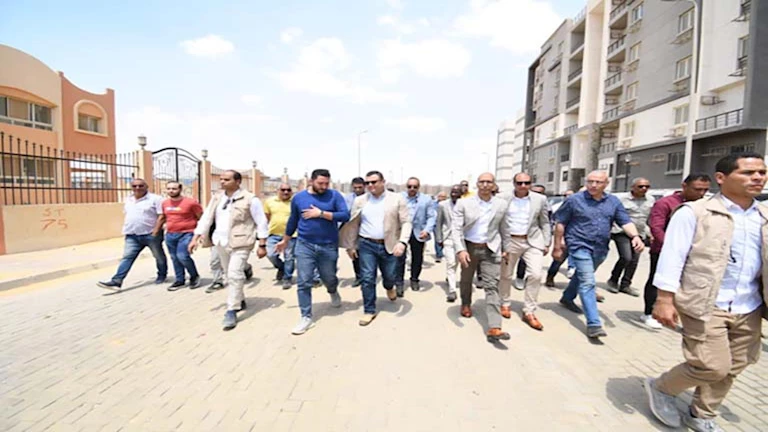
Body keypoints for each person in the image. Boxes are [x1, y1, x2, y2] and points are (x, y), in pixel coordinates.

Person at [644, 153, 768, 432]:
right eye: (748, 173)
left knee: (736, 364)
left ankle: (702, 413)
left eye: (762, 172)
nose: (757, 178)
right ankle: (662, 387)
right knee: (712, 366)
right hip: (706, 303)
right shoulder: (695, 213)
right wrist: (664, 299)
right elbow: (673, 256)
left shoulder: (763, 216)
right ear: (721, 178)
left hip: (749, 305)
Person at [553, 170, 644, 339]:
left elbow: (624, 221)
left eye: (598, 182)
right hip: (579, 244)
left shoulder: (613, 201)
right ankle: (594, 323)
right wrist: (557, 246)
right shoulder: (574, 200)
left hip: (600, 248)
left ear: (606, 184)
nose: (593, 185)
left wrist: (635, 236)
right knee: (588, 282)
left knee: (582, 276)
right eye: (590, 181)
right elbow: (560, 223)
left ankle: (567, 297)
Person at [190, 170, 269, 330]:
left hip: (241, 242)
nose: (222, 182)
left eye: (226, 179)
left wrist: (262, 244)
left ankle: (232, 309)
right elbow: (206, 217)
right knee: (228, 274)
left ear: (238, 181)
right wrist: (195, 237)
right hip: (220, 241)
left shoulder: (250, 199)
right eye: (221, 179)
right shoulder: (217, 197)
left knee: (234, 274)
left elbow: (261, 222)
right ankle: (239, 298)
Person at [276, 169, 350, 335]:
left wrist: (321, 214)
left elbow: (345, 215)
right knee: (304, 281)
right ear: (311, 181)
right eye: (320, 183)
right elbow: (293, 220)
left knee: (329, 277)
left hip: (328, 245)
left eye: (326, 183)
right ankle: (306, 316)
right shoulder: (299, 198)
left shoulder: (334, 196)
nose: (324, 186)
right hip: (305, 245)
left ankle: (332, 290)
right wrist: (285, 240)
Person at [640, 173, 711, 329]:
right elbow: (656, 227)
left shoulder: (705, 206)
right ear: (684, 186)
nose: (701, 193)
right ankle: (648, 313)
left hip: (692, 254)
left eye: (705, 190)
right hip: (663, 251)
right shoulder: (665, 203)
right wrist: (671, 247)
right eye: (697, 189)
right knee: (657, 281)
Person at [339, 171, 410, 326]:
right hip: (366, 244)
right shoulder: (360, 200)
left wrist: (402, 242)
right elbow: (354, 224)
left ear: (383, 182)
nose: (370, 185)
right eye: (368, 183)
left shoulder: (397, 199)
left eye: (374, 182)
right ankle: (369, 310)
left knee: (389, 276)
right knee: (367, 278)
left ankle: (389, 287)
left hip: (390, 244)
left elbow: (406, 222)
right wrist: (350, 246)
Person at [451, 173, 510, 343]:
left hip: (491, 248)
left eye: (488, 182)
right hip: (469, 247)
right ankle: (466, 303)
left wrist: (506, 248)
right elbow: (456, 229)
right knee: (466, 279)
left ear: (493, 185)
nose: (485, 185)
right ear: (477, 184)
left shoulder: (501, 204)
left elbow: (505, 228)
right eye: (482, 182)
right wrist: (460, 250)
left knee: (492, 286)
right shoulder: (464, 203)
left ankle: (495, 327)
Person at [498, 173, 551, 331]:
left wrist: (546, 242)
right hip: (510, 241)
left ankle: (529, 311)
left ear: (531, 183)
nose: (523, 186)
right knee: (506, 275)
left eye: (526, 183)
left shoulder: (540, 199)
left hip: (532, 240)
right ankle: (504, 303)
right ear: (514, 183)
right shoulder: (502, 198)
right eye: (519, 183)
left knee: (536, 274)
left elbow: (545, 222)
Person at [97, 179, 168, 289]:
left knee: (158, 256)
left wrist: (155, 231)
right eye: (134, 186)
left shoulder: (156, 199)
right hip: (132, 235)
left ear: (146, 186)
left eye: (140, 186)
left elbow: (162, 216)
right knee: (127, 257)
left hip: (150, 234)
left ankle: (162, 275)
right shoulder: (128, 199)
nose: (137, 188)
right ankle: (117, 281)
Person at [395, 177, 436, 295]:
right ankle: (399, 283)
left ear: (419, 187)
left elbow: (431, 216)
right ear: (406, 186)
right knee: (399, 258)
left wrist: (427, 230)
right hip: (402, 231)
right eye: (409, 186)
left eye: (415, 187)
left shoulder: (426, 199)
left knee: (417, 258)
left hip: (418, 232)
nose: (412, 189)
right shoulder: (399, 197)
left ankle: (414, 279)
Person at [159, 181, 203, 291]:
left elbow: (201, 217)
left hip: (187, 233)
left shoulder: (191, 202)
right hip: (170, 234)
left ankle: (194, 276)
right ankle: (179, 280)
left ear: (180, 189)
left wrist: (200, 234)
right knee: (174, 258)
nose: (171, 191)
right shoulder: (165, 203)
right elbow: (164, 217)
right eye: (169, 188)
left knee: (182, 256)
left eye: (174, 188)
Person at [514, 183, 548, 289]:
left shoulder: (543, 202)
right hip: (514, 238)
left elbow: (546, 222)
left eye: (540, 192)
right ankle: (519, 277)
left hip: (534, 238)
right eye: (535, 192)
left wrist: (546, 242)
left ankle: (524, 280)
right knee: (506, 272)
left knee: (535, 272)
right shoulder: (515, 202)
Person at [264, 183, 296, 289]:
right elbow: (267, 217)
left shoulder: (295, 202)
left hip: (292, 235)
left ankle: (287, 278)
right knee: (270, 254)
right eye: (283, 190)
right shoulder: (269, 202)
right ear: (277, 191)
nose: (286, 192)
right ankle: (281, 267)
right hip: (274, 234)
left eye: (288, 190)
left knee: (289, 257)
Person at [435, 185, 462, 302]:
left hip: (462, 239)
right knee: (451, 263)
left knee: (458, 263)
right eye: (453, 192)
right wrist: (439, 239)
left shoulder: (466, 204)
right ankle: (452, 290)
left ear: (461, 194)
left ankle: (450, 277)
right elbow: (439, 223)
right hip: (448, 238)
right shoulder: (443, 205)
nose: (454, 194)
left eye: (457, 192)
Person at [344, 177, 366, 287]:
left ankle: (367, 276)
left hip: (366, 229)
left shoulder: (369, 198)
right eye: (355, 188)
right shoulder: (348, 199)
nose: (357, 190)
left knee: (366, 255)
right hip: (352, 229)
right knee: (354, 254)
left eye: (360, 187)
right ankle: (358, 276)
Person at [433, 191, 447, 263]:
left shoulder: (447, 204)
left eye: (443, 197)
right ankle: (439, 255)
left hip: (445, 224)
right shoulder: (433, 204)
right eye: (440, 196)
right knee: (437, 239)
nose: (442, 198)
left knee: (444, 238)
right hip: (435, 224)